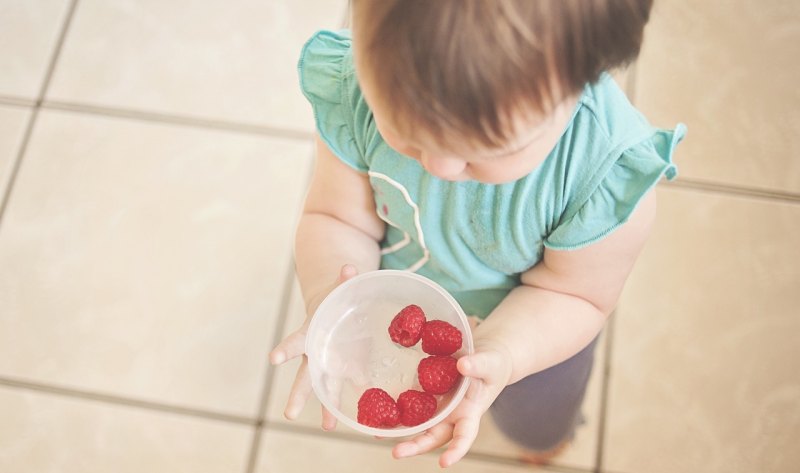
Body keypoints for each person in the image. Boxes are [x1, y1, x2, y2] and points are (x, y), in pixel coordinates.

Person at [270, 0, 685, 467]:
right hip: (407, 297)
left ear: (583, 79)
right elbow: (338, 218)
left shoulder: (602, 173)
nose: (439, 166)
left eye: (482, 152)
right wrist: (331, 298)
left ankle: (543, 440)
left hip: (536, 329)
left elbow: (577, 295)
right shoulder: (360, 90)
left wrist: (505, 353)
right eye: (406, 131)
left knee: (537, 415)